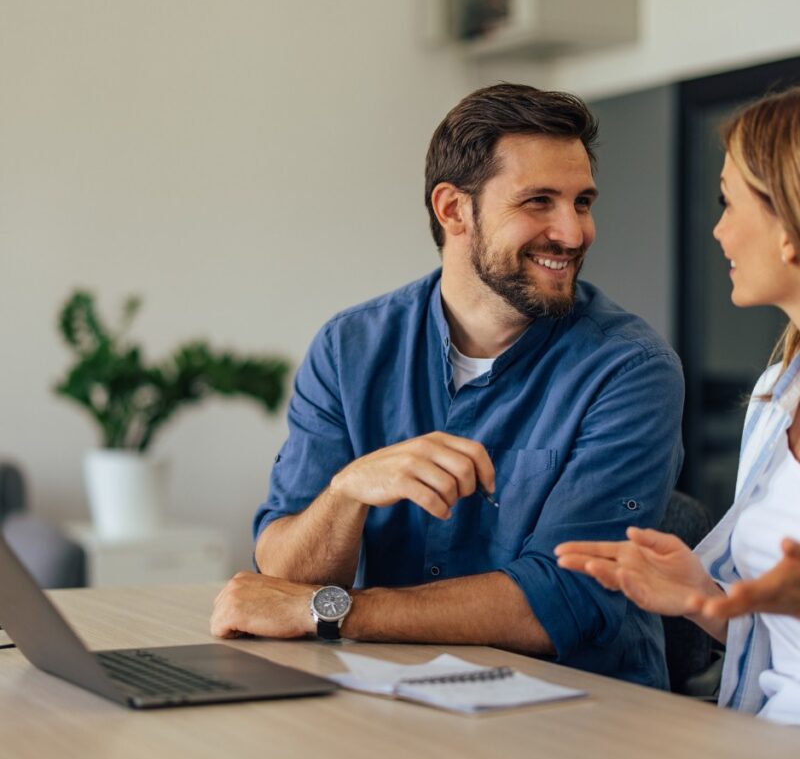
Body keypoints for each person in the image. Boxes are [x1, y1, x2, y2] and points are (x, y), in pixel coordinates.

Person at [210, 83, 684, 687]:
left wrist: (330, 613)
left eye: (583, 202)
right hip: (389, 694)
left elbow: (565, 602)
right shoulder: (348, 348)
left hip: (576, 715)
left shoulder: (630, 369)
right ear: (453, 209)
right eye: (539, 201)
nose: (573, 232)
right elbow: (282, 567)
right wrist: (348, 493)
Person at [556, 87, 800, 724]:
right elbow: (775, 649)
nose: (717, 229)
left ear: (790, 223)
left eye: (728, 201)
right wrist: (699, 599)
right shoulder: (780, 394)